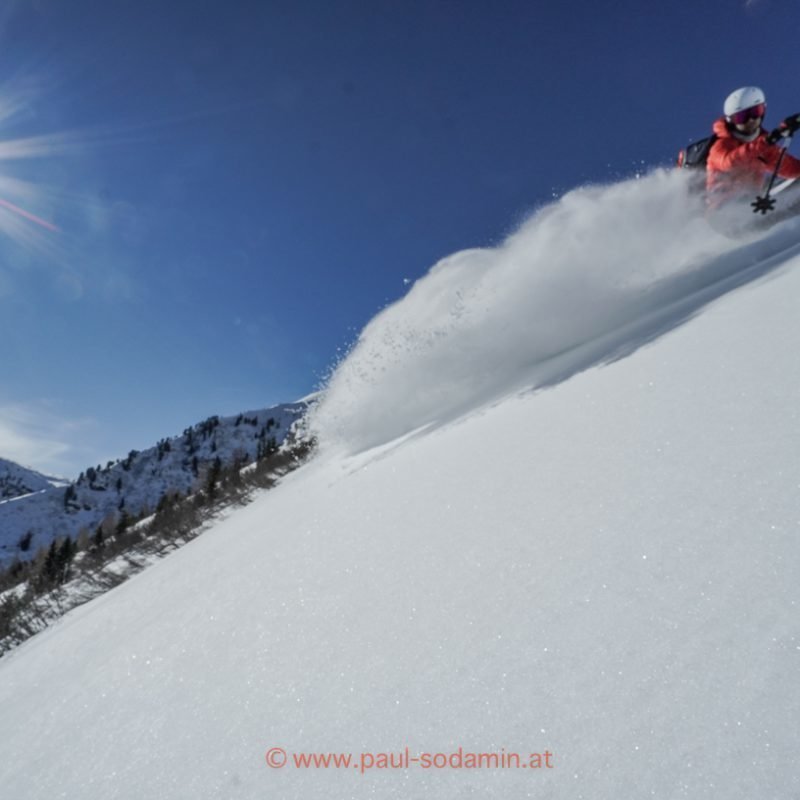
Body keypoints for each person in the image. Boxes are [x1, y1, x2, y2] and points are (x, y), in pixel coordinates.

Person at [706, 86, 800, 211]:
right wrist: (766, 141)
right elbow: (730, 162)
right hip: (722, 210)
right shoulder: (721, 145)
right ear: (731, 120)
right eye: (742, 117)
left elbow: (791, 168)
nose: (751, 120)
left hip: (752, 206)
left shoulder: (763, 146)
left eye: (756, 112)